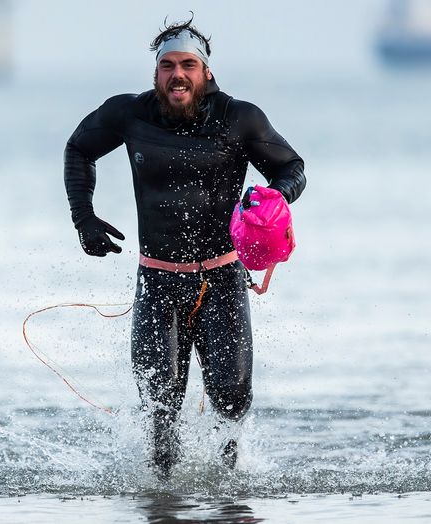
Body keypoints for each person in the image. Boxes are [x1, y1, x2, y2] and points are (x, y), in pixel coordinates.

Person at [63, 18, 306, 476]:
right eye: (168, 65)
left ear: (206, 72)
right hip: (156, 281)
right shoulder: (130, 115)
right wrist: (84, 218)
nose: (178, 74)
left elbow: (291, 167)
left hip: (222, 279)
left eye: (188, 65)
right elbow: (79, 149)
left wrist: (274, 199)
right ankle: (162, 499)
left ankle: (230, 492)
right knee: (160, 407)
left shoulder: (240, 118)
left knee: (232, 400)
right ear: (156, 73)